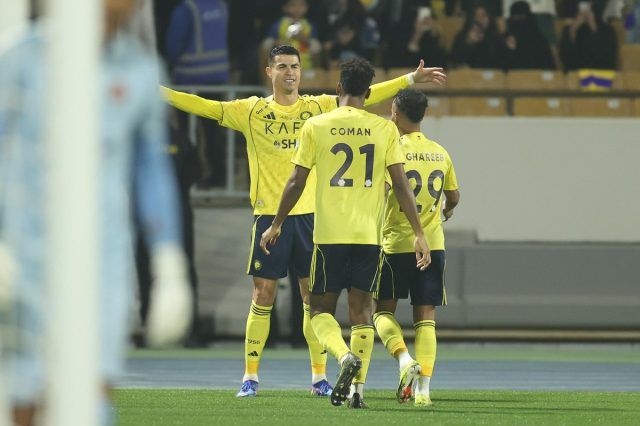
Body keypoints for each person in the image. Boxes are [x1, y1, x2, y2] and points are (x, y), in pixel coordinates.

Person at [161, 45, 446, 398]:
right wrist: (159, 93)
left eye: (295, 66)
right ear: (269, 72)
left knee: (312, 300)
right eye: (282, 66)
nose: (290, 72)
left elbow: (365, 92)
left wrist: (410, 79)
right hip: (271, 215)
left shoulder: (317, 109)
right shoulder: (250, 110)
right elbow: (203, 105)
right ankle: (250, 376)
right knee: (263, 294)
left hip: (312, 218)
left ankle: (319, 377)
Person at [0, 1, 192, 424]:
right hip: (24, 255)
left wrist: (168, 259)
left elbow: (151, 169)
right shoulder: (19, 60)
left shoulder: (140, 70)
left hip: (101, 257)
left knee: (94, 392)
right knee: (26, 397)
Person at [260, 58, 432, 409]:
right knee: (362, 312)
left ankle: (341, 356)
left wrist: (276, 223)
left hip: (329, 236)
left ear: (338, 88)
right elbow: (401, 185)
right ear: (368, 93)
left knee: (318, 310)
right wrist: (419, 232)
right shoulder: (384, 129)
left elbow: (296, 182)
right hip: (368, 237)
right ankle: (357, 393)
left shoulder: (316, 125)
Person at [373, 89, 459, 408]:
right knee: (425, 317)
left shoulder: (392, 151)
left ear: (395, 113)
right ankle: (423, 390)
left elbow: (383, 191)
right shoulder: (440, 152)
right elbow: (454, 195)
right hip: (433, 245)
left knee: (382, 312)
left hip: (396, 244)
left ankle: (405, 359)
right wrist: (447, 209)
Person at [165, 0, 229, 188]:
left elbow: (174, 43)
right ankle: (219, 174)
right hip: (217, 75)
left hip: (189, 76)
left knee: (186, 129)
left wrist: (169, 67)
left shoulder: (186, 9)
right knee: (213, 129)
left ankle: (189, 172)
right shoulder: (220, 6)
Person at [559, 1, 618, 71]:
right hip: (575, 74)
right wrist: (574, 28)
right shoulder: (569, 29)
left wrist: (593, 26)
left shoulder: (608, 31)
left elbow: (607, 58)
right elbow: (564, 57)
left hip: (601, 74)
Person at [503, 1, 556, 70]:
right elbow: (500, 67)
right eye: (516, 18)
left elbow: (548, 67)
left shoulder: (539, 41)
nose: (519, 21)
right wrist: (509, 51)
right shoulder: (505, 40)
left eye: (522, 17)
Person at [450, 3, 505, 69]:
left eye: (483, 15)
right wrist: (468, 42)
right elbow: (455, 59)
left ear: (489, 18)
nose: (479, 19)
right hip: (468, 74)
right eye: (476, 15)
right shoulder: (462, 36)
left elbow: (501, 61)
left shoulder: (496, 37)